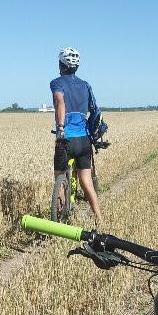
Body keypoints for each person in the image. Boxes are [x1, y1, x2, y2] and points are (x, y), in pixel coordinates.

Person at [50, 47, 102, 225]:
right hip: (84, 139)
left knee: (59, 178)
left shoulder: (57, 82)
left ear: (61, 64)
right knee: (86, 180)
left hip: (66, 139)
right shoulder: (86, 85)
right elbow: (94, 109)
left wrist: (61, 129)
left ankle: (59, 221)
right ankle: (98, 218)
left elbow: (59, 100)